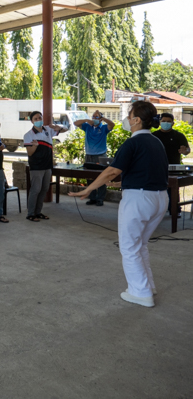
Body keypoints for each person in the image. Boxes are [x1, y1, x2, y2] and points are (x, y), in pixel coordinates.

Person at [70, 101, 169, 308]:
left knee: (129, 247)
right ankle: (148, 286)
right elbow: (148, 169)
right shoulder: (156, 142)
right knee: (140, 245)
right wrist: (123, 181)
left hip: (139, 200)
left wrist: (89, 188)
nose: (126, 118)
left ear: (136, 120)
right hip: (159, 198)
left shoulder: (132, 143)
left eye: (129, 114)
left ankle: (140, 293)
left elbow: (111, 170)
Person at [23, 111, 67, 222]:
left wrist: (58, 127)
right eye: (36, 119)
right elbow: (30, 153)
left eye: (40, 118)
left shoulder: (48, 129)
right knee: (35, 189)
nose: (38, 120)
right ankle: (31, 213)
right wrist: (35, 146)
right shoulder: (28, 135)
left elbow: (66, 129)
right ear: (32, 121)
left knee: (44, 189)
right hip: (36, 166)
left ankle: (38, 212)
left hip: (47, 165)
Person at [152, 113, 191, 216]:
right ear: (160, 122)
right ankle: (156, 211)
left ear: (173, 123)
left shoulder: (178, 136)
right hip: (156, 167)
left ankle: (175, 210)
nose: (166, 123)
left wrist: (185, 150)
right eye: (164, 121)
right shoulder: (154, 136)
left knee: (173, 189)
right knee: (156, 190)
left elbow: (187, 150)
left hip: (174, 167)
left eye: (168, 121)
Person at [74, 110, 115, 206]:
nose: (94, 118)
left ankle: (100, 198)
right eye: (93, 116)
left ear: (100, 119)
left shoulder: (104, 128)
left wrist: (102, 118)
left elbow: (112, 125)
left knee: (102, 177)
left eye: (97, 117)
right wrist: (86, 120)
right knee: (89, 177)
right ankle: (92, 198)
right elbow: (76, 123)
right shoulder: (87, 126)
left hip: (100, 155)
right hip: (89, 155)